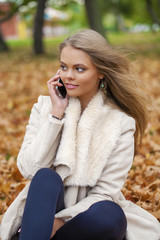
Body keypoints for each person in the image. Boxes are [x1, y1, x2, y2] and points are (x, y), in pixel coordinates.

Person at [1, 29, 160, 240]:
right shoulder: (44, 107)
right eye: (63, 66)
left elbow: (104, 193)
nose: (68, 75)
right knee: (46, 177)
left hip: (85, 218)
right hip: (42, 211)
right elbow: (28, 169)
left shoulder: (120, 123)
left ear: (101, 72)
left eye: (80, 68)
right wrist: (56, 115)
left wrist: (58, 223)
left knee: (110, 215)